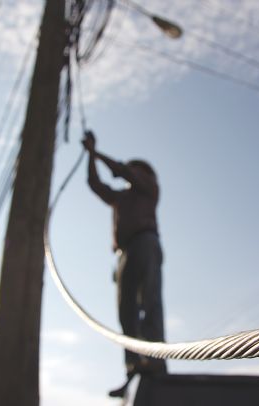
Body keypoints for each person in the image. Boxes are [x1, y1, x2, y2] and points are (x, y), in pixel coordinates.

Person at [82, 130, 167, 398]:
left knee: (150, 304)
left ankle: (155, 363)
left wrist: (98, 153)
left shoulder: (149, 187)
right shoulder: (121, 198)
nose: (128, 172)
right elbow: (95, 184)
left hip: (145, 244)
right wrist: (91, 157)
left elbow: (122, 171)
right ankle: (134, 366)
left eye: (133, 169)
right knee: (126, 313)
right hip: (125, 253)